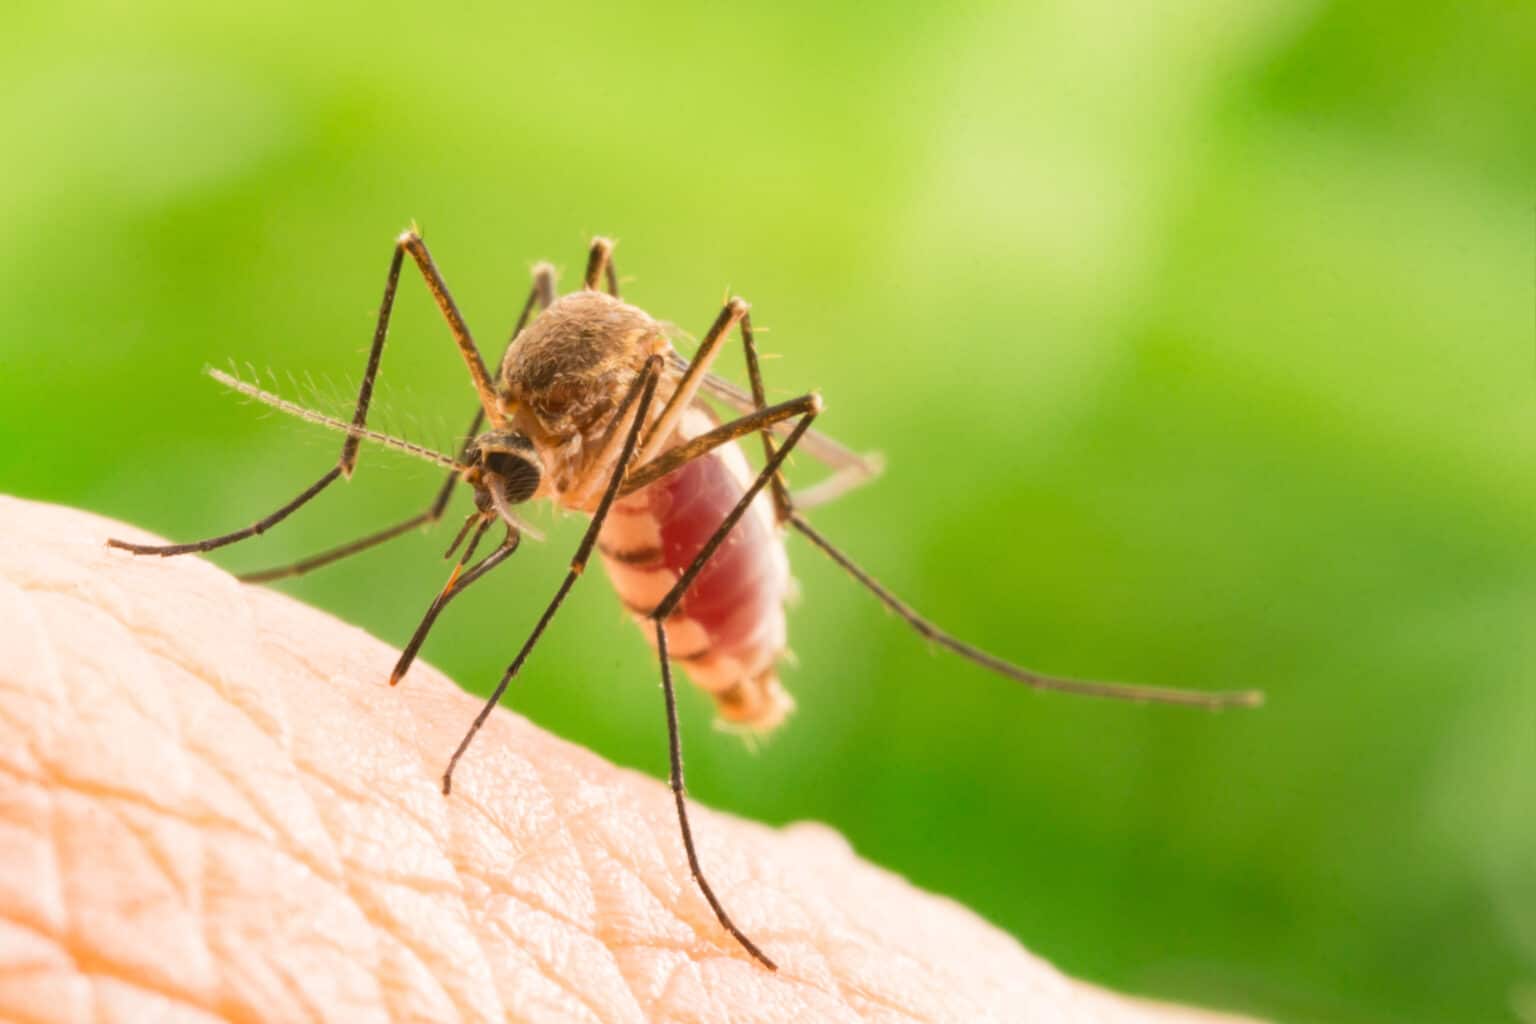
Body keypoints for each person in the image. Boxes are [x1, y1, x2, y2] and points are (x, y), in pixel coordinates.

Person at [0, 496, 1250, 1022]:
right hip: (628, 445)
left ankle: (924, 651)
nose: (490, 502)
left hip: (685, 504)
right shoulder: (530, 399)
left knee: (637, 487)